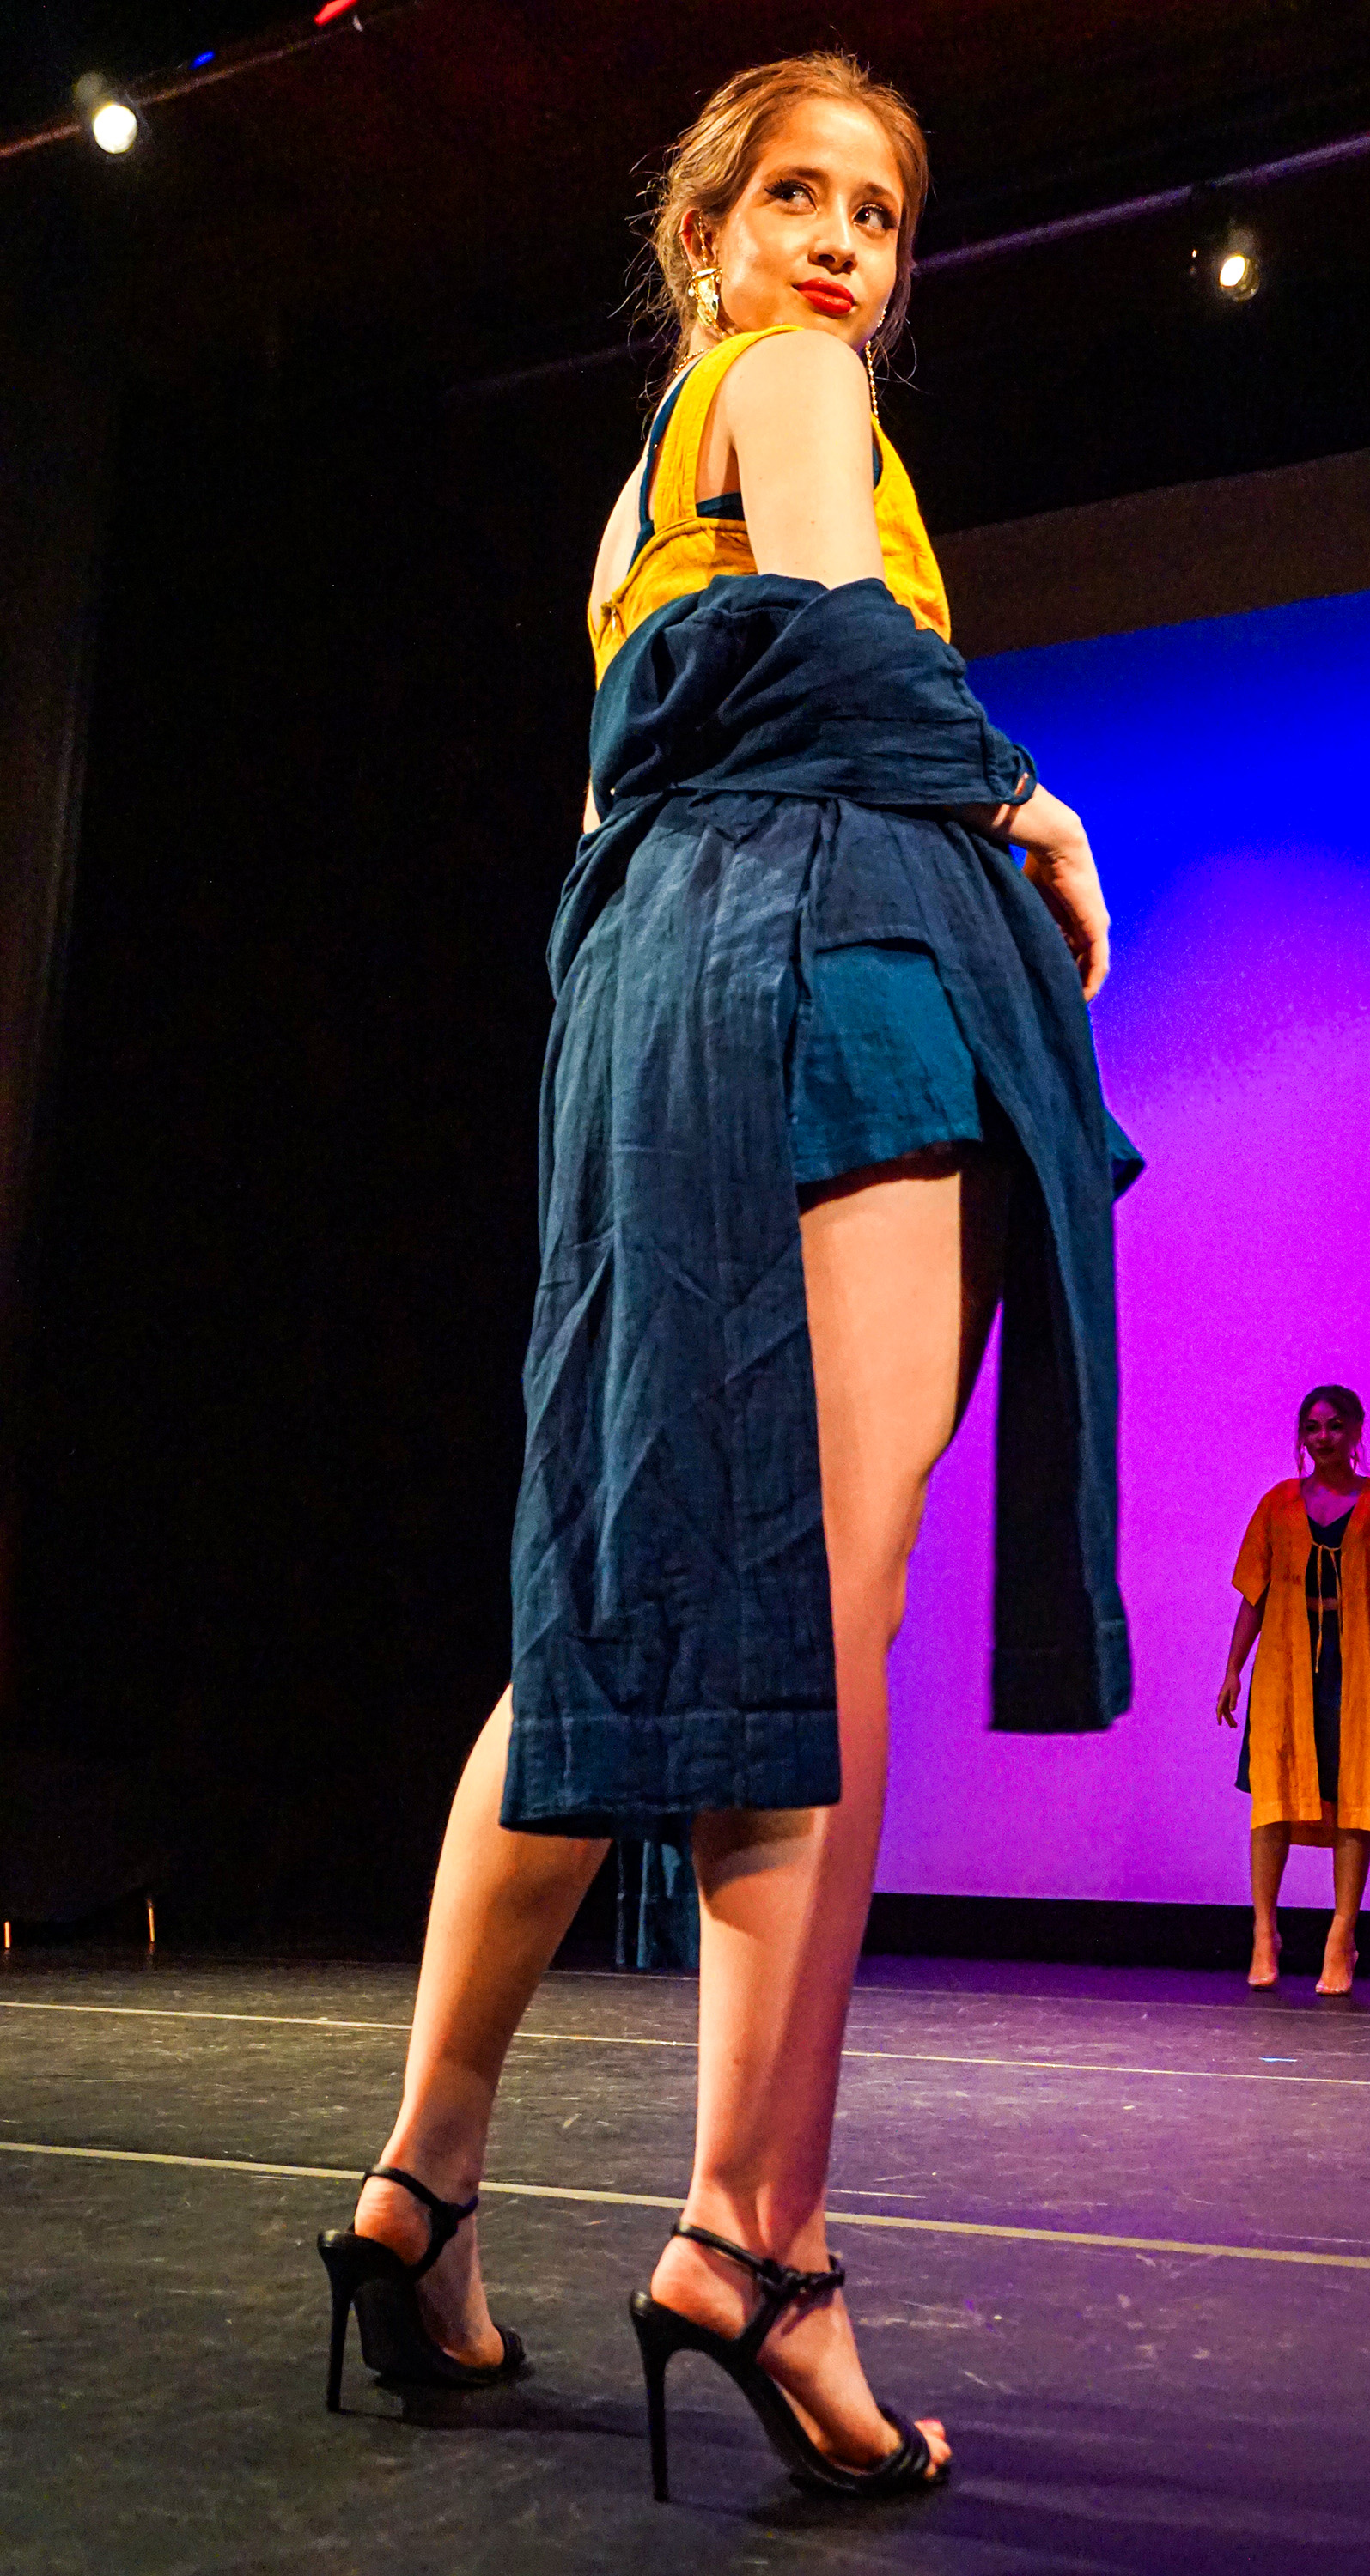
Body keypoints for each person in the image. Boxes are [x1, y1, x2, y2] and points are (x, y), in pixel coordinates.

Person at [314, 52, 1137, 2502]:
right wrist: (1030, 806)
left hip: (658, 981)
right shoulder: (782, 393)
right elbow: (856, 640)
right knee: (818, 1611)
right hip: (839, 951)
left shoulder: (618, 513)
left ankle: (419, 2187)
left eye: (878, 220)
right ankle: (751, 2238)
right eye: (797, 195)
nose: (840, 250)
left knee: (619, 1606)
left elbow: (613, 807)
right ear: (706, 234)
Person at [1216, 1387, 1370, 1995]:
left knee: (1354, 1794)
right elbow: (1252, 1597)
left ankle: (1342, 1936)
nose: (1322, 1438)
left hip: (1355, 1669)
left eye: (1334, 1427)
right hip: (1286, 1670)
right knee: (1272, 1796)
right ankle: (1265, 1932)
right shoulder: (1278, 1506)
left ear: (1356, 1429)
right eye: (1312, 1428)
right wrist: (1233, 1670)